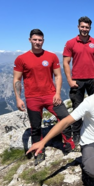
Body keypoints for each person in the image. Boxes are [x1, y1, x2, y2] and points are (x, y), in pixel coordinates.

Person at [13, 29, 74, 165]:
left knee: (65, 117)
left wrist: (57, 93)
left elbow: (58, 76)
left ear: (43, 41)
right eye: (35, 40)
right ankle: (39, 151)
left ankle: (68, 143)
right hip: (32, 98)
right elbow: (17, 79)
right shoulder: (21, 59)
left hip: (51, 95)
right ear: (30, 40)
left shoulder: (51, 56)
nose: (37, 42)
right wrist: (18, 98)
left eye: (40, 40)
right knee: (35, 126)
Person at [63, 16, 94, 146]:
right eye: (82, 27)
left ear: (90, 28)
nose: (84, 29)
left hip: (93, 80)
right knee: (77, 108)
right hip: (77, 80)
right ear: (78, 27)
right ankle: (77, 135)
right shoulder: (70, 43)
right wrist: (69, 80)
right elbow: (66, 62)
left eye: (87, 27)